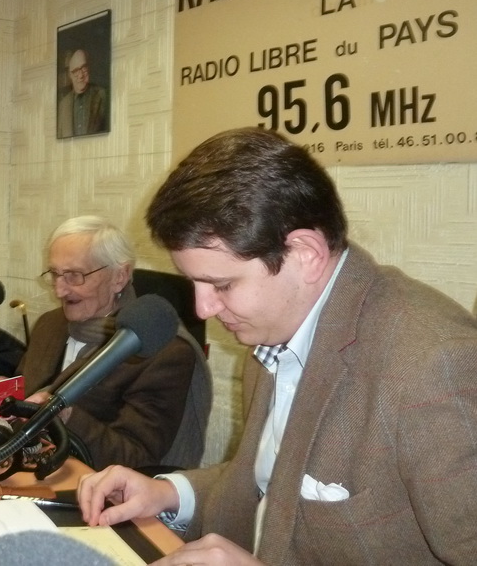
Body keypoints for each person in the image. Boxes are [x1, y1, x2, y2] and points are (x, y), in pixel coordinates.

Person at [78, 128, 477, 565]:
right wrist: (170, 493)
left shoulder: (433, 366)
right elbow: (275, 485)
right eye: (195, 283)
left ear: (305, 253)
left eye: (222, 285)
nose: (204, 308)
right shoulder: (274, 332)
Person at [0, 216, 210, 471]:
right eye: (55, 274)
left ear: (119, 277)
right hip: (22, 468)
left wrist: (64, 415)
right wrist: (5, 395)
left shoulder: (162, 352)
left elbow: (137, 459)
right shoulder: (49, 324)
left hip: (92, 485)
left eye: (74, 276)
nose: (59, 291)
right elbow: (30, 396)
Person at [57, 49, 108, 137]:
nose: (80, 75)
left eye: (83, 68)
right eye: (76, 71)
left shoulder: (103, 95)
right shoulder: (63, 105)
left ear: (89, 68)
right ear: (70, 75)